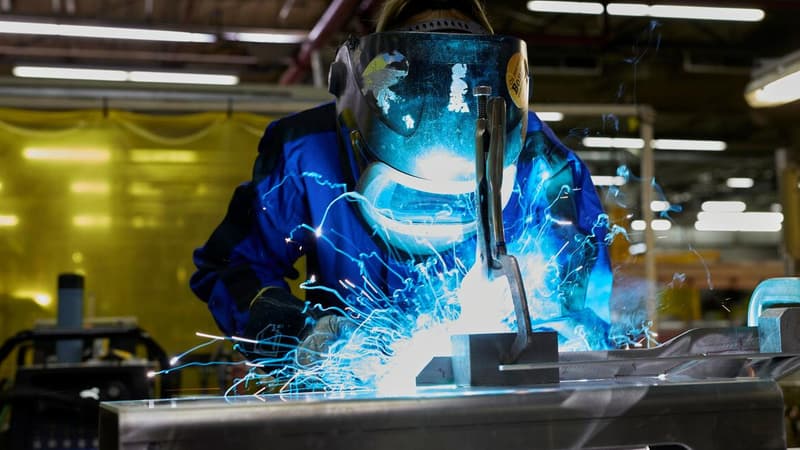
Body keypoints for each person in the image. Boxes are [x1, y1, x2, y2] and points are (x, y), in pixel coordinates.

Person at [190, 0, 613, 367]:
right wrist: (298, 334)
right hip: (349, 406)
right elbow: (232, 267)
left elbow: (581, 294)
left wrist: (555, 334)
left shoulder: (541, 163)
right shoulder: (308, 150)